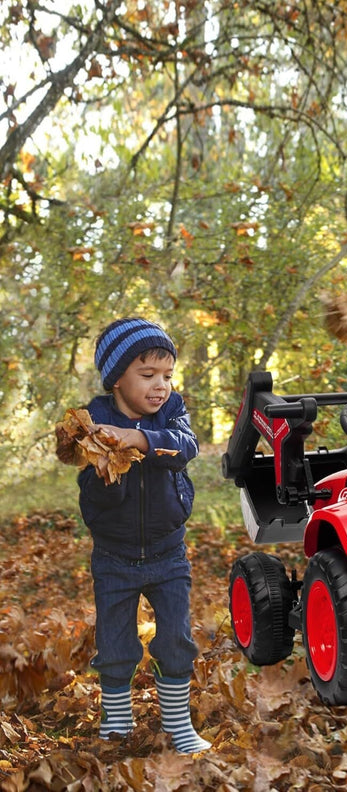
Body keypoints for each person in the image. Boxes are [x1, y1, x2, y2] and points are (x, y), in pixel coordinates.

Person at [76, 318, 211, 753]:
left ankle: (177, 725)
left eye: (167, 375)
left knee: (175, 638)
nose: (161, 386)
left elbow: (184, 448)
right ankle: (116, 722)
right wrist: (104, 466)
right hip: (113, 554)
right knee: (115, 642)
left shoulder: (172, 413)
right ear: (117, 379)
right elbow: (92, 492)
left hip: (167, 551)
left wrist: (138, 439)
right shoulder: (94, 419)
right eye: (148, 375)